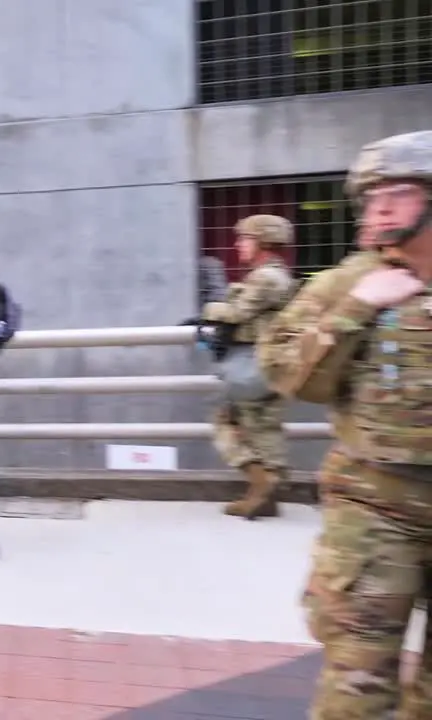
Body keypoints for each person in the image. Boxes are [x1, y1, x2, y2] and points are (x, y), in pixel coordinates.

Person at [259, 130, 432, 719]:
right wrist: (359, 309)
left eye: (399, 193)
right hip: (375, 506)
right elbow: (284, 371)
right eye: (371, 196)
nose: (379, 207)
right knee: (357, 685)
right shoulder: (349, 280)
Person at [200, 214, 296, 518]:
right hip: (271, 361)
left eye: (245, 239)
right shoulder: (277, 276)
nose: (239, 245)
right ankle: (266, 495)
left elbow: (236, 312)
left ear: (263, 242)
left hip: (256, 363)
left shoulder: (267, 278)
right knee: (263, 427)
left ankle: (260, 480)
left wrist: (209, 308)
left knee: (227, 422)